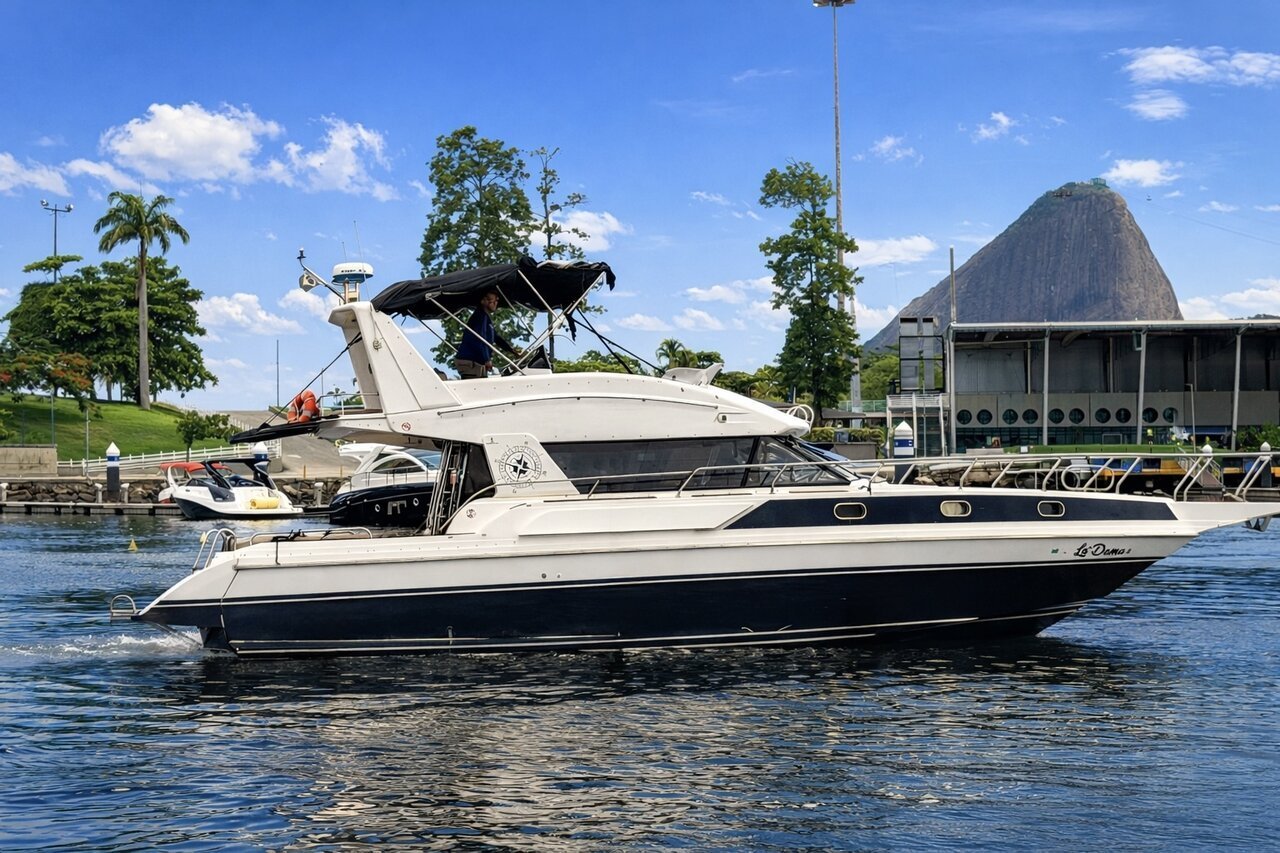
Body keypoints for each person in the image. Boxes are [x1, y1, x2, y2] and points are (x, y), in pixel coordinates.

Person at [454, 289, 515, 378]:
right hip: (470, 361)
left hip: (474, 362)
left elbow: (496, 337)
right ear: (483, 301)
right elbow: (481, 337)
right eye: (493, 300)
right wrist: (487, 359)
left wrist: (511, 350)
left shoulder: (486, 318)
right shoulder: (480, 316)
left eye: (497, 300)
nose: (495, 303)